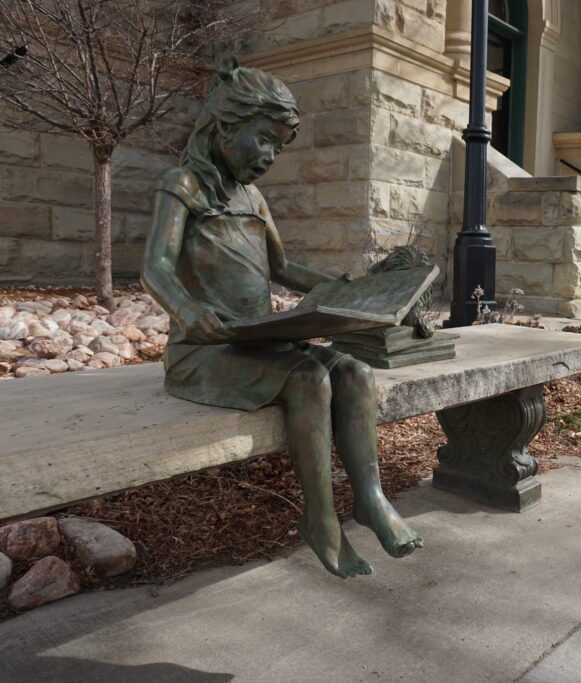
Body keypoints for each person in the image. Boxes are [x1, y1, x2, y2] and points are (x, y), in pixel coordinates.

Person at [141, 57, 422, 578]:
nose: (270, 156)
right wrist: (186, 308)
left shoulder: (254, 198)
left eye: (279, 146)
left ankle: (370, 497)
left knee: (356, 372)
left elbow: (282, 268)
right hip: (203, 352)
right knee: (310, 376)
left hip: (259, 344)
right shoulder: (183, 186)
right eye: (264, 139)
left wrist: (354, 290)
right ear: (226, 125)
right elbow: (154, 263)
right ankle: (320, 518)